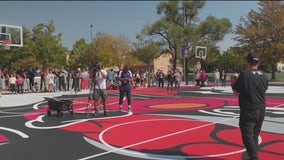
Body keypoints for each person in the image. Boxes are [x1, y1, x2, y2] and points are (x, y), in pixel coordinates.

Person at [231, 52, 268, 160]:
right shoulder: (264, 75)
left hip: (249, 109)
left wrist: (233, 81)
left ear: (247, 62)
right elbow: (264, 89)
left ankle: (254, 157)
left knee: (247, 135)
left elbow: (237, 92)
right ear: (259, 62)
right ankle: (252, 156)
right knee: (254, 135)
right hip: (261, 108)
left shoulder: (244, 74)